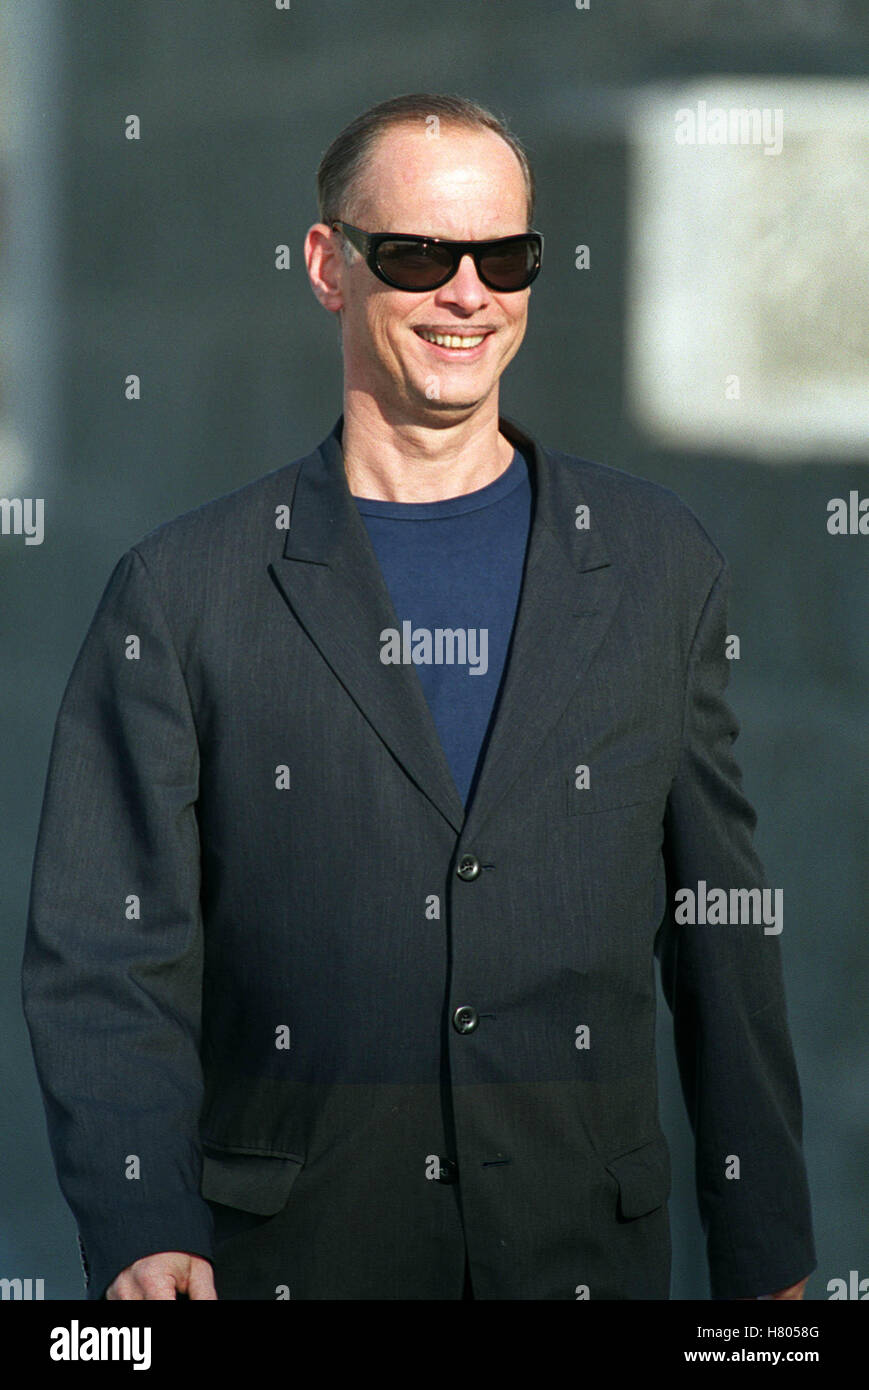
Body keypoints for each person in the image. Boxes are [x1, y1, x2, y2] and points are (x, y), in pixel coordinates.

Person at [22, 92, 815, 1301]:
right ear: (328, 266)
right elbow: (103, 949)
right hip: (293, 1259)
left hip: (582, 1253)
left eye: (504, 256)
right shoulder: (180, 594)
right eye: (418, 255)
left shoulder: (660, 566)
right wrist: (140, 1221)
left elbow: (717, 933)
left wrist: (766, 1252)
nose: (467, 294)